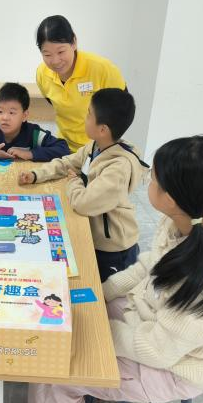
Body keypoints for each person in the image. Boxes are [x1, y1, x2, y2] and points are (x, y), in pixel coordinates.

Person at [27, 136, 203, 403]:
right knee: (78, 307)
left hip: (177, 366)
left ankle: (114, 392)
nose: (147, 181)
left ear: (170, 199)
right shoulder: (191, 217)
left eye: (152, 178)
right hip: (154, 320)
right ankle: (125, 397)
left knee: (57, 374)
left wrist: (100, 332)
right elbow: (150, 265)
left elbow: (158, 350)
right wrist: (101, 293)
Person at [19, 88, 145, 281]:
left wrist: (74, 181)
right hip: (93, 233)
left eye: (88, 114)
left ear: (103, 129)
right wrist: (36, 174)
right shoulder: (96, 145)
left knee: (106, 292)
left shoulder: (118, 168)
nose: (84, 118)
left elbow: (84, 203)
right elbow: (67, 163)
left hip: (114, 249)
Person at [35, 15, 127, 153]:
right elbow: (54, 103)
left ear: (74, 42)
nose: (55, 61)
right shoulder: (42, 73)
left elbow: (124, 110)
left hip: (98, 149)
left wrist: (105, 146)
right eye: (47, 55)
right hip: (64, 148)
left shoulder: (102, 69)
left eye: (61, 51)